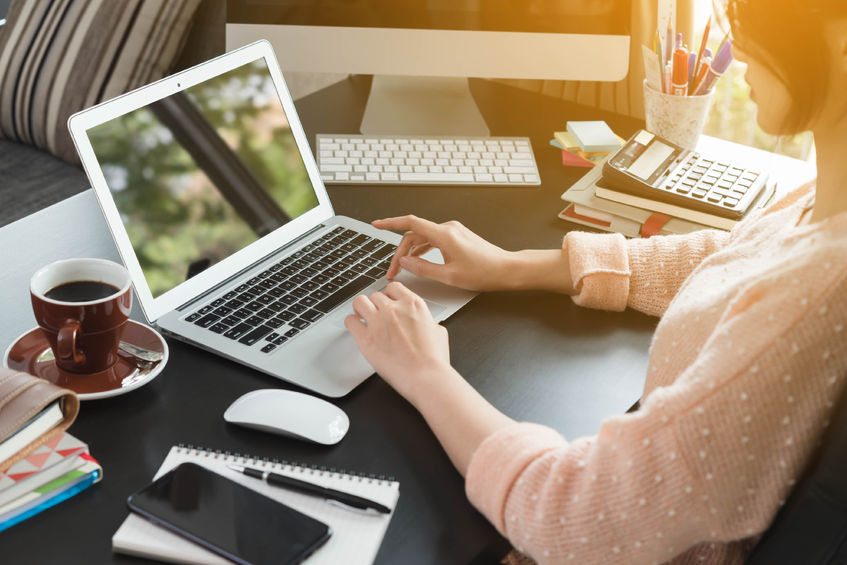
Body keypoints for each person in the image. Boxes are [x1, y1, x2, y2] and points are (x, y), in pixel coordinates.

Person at [343, 1, 847, 563]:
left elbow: (573, 517)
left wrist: (424, 372)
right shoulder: (826, 202)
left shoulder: (814, 299)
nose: (737, 36)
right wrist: (511, 266)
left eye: (761, 17)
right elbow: (737, 256)